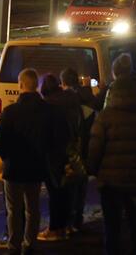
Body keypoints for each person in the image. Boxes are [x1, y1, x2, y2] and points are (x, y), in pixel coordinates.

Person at [86, 61, 136, 255]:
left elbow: (95, 147)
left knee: (112, 226)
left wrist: (93, 169)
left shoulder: (105, 117)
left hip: (111, 181)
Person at [0, 70, 56, 254]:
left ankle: (14, 243)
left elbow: (1, 140)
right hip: (36, 166)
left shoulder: (11, 111)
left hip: (14, 167)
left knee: (14, 209)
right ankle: (30, 243)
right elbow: (51, 139)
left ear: (20, 85)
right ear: (36, 85)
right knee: (33, 207)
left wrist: (6, 158)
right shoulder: (47, 110)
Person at [37, 74, 82, 242]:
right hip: (73, 151)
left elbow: (48, 134)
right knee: (68, 191)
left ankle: (56, 228)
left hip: (55, 155)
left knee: (55, 192)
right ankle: (69, 224)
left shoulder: (50, 106)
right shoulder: (71, 100)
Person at [60, 68, 96, 234]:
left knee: (68, 189)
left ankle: (67, 222)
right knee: (81, 187)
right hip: (85, 152)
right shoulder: (88, 99)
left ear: (63, 83)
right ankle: (77, 220)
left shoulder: (64, 103)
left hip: (69, 152)